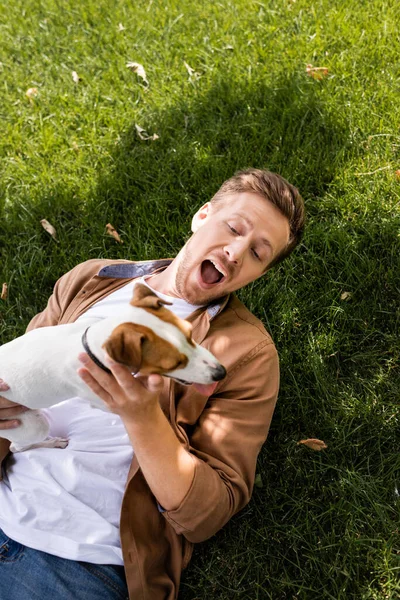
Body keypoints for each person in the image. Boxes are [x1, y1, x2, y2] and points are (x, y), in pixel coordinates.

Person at [0, 168, 305, 600]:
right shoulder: (94, 279)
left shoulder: (245, 355)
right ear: (203, 216)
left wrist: (142, 416)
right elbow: (18, 373)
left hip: (71, 558)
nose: (236, 252)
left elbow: (209, 511)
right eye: (234, 228)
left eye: (258, 253)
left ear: (259, 273)